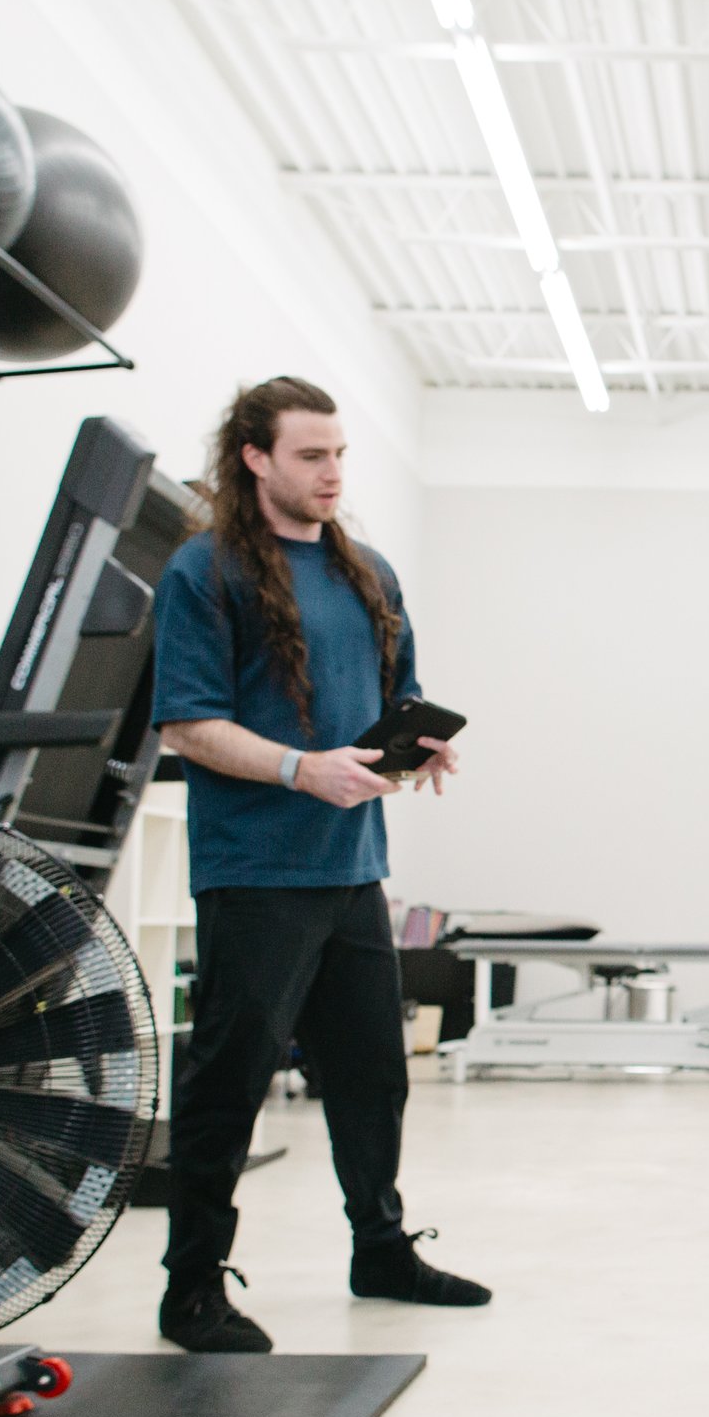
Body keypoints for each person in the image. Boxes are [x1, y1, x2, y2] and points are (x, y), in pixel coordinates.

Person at [150, 374, 490, 1353]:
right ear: (254, 457)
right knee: (230, 1078)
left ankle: (379, 1248)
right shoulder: (204, 572)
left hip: (352, 868)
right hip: (254, 869)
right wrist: (301, 768)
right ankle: (192, 1286)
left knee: (373, 1073)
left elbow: (399, 691)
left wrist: (413, 745)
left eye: (339, 453)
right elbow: (187, 725)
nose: (331, 471)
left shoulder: (368, 571)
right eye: (310, 454)